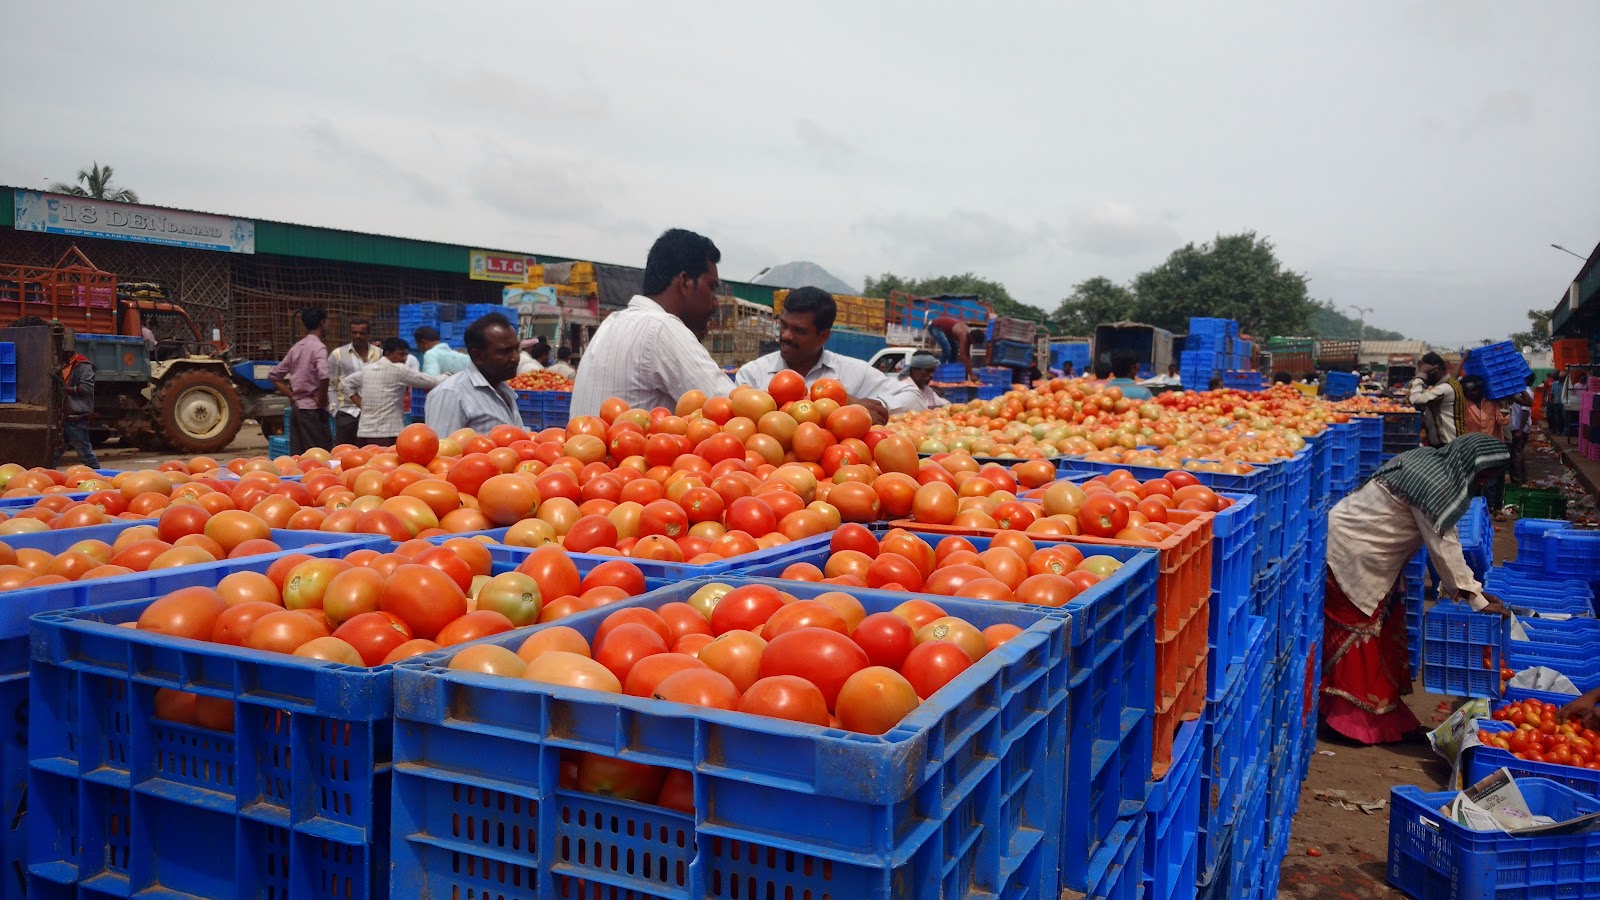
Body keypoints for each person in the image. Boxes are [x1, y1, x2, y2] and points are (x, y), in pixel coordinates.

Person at [1321, 434, 1511, 744]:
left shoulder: (1426, 464)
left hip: (1351, 544)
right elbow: (1443, 544)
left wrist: (1473, 588)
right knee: (1360, 637)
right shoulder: (1436, 485)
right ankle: (1351, 722)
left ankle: (1377, 714)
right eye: (1483, 476)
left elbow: (1446, 534)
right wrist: (1474, 596)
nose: (1482, 484)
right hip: (1353, 557)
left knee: (1379, 633)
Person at [569, 228, 735, 417]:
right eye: (711, 288)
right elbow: (733, 409)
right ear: (685, 282)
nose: (715, 302)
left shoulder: (610, 325)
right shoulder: (662, 328)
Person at [735, 288, 918, 424]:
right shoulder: (753, 374)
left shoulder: (853, 371)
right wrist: (837, 402)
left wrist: (873, 407)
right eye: (784, 325)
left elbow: (914, 396)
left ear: (823, 336)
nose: (786, 335)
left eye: (799, 330)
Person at [424, 313, 528, 434]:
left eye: (517, 349)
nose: (515, 358)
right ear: (477, 356)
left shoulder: (504, 390)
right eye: (505, 351)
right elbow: (442, 444)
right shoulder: (451, 394)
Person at [344, 338, 445, 445]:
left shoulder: (368, 369)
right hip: (389, 432)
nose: (404, 358)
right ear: (388, 353)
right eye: (401, 354)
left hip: (364, 432)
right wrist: (447, 376)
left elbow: (346, 383)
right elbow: (430, 382)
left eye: (406, 355)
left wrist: (361, 404)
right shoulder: (398, 369)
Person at [269, 307, 331, 455]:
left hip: (297, 409)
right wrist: (322, 399)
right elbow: (324, 375)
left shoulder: (296, 348)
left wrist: (293, 396)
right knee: (319, 455)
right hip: (313, 411)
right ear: (322, 323)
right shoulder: (319, 348)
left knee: (298, 456)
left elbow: (274, 376)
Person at [328, 318, 381, 447]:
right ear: (350, 334)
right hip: (347, 413)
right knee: (344, 452)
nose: (358, 336)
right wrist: (335, 410)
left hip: (373, 415)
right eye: (354, 332)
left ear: (369, 335)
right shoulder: (338, 354)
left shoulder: (379, 354)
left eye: (362, 333)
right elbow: (330, 385)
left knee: (372, 452)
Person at [1460, 376, 1509, 512]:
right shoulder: (1463, 404)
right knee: (1473, 481)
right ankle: (1475, 509)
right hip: (1472, 449)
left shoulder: (1492, 403)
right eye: (1471, 391)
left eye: (1476, 390)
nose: (1474, 393)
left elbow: (1503, 421)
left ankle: (1491, 509)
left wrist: (1504, 405)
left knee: (1492, 481)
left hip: (1493, 448)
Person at [1409, 352, 1466, 447]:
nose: (1426, 378)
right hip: (1449, 444)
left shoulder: (1445, 388)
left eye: (1426, 373)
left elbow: (1415, 399)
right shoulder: (1450, 384)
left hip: (1449, 446)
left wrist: (1420, 376)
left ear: (1435, 370)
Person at [56, 346, 99, 467]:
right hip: (65, 417)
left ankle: (98, 475)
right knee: (54, 454)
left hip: (76, 418)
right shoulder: (64, 366)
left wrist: (65, 389)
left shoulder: (83, 366)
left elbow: (86, 388)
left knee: (86, 455)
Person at [925, 315, 974, 381]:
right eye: (973, 342)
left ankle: (950, 371)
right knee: (947, 348)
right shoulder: (963, 335)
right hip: (935, 326)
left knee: (955, 349)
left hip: (947, 331)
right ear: (971, 337)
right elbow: (963, 355)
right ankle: (938, 370)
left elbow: (967, 354)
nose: (972, 344)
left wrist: (971, 371)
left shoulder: (969, 334)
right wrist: (970, 374)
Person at [1509, 389, 1532, 484]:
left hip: (1519, 429)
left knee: (1516, 453)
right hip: (1516, 427)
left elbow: (1526, 412)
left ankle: (1517, 479)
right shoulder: (1517, 392)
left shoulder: (1526, 392)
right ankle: (1523, 477)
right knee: (1519, 452)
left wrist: (1520, 430)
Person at [1546, 371, 1565, 437]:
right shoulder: (1554, 384)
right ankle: (1557, 430)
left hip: (1563, 403)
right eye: (1560, 377)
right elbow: (1552, 393)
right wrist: (1551, 400)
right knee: (1556, 417)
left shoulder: (1565, 385)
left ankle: (1562, 430)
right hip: (1556, 403)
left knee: (1562, 417)